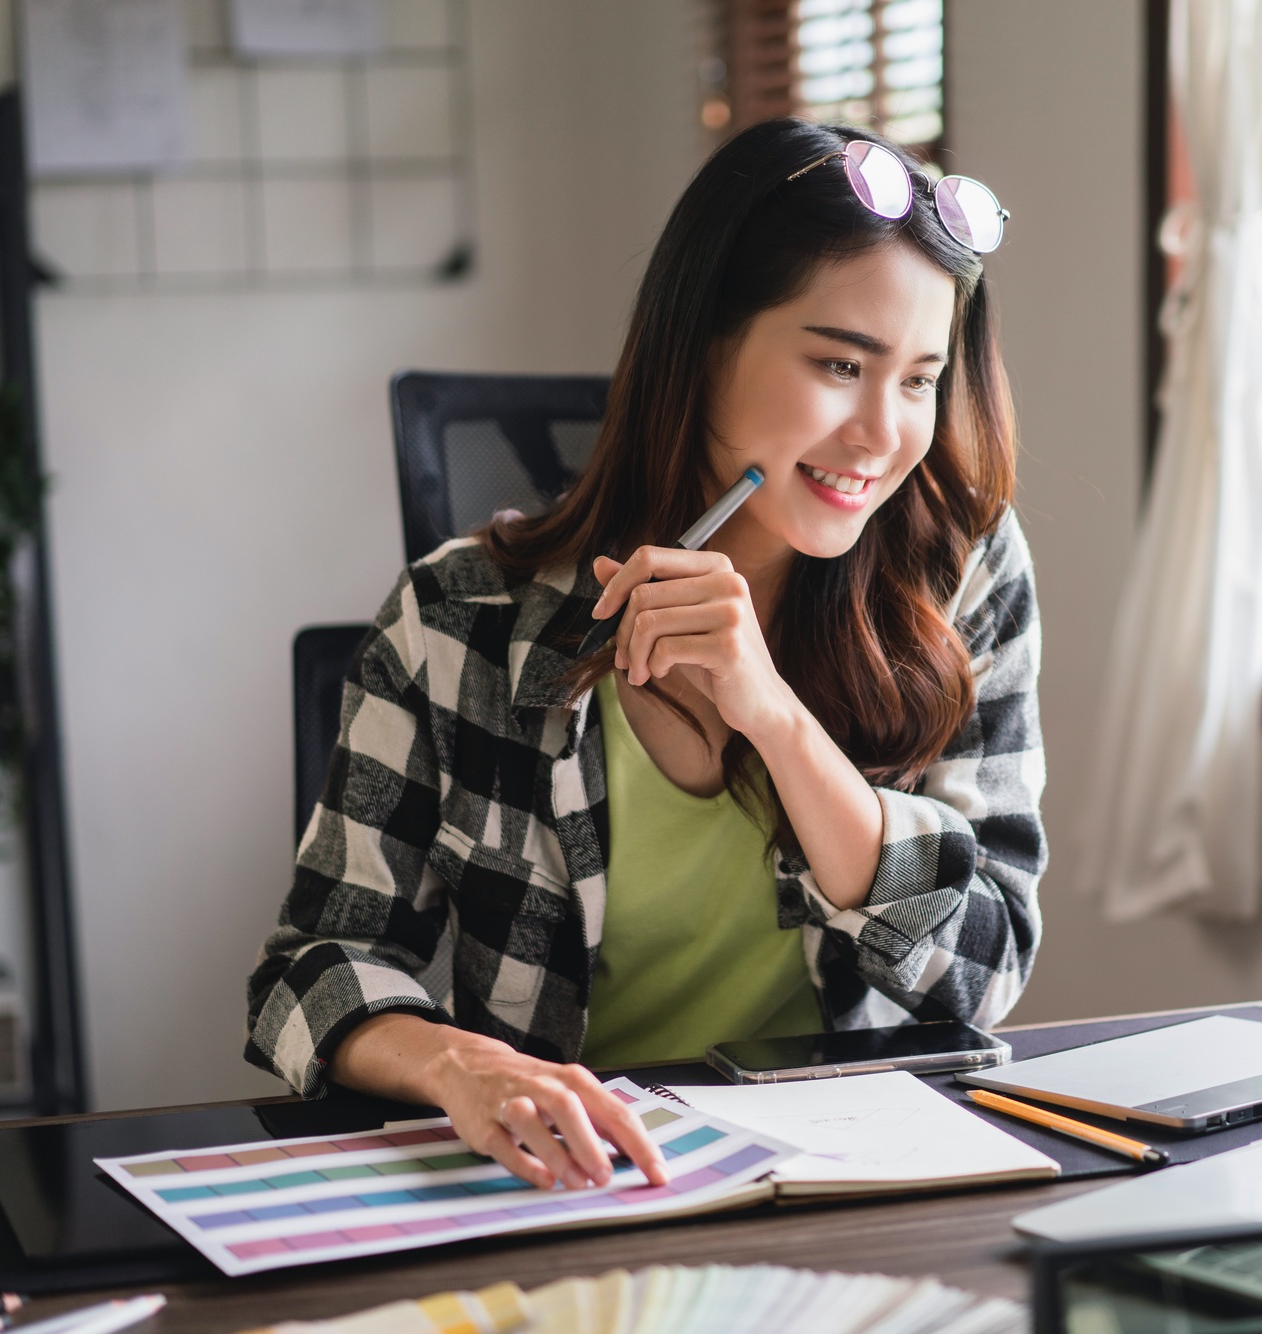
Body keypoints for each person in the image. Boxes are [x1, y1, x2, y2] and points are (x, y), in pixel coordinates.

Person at [244, 119, 1044, 1194]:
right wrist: (462, 1064)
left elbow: (986, 970)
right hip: (577, 1188)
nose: (879, 435)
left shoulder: (958, 575)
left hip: (857, 1184)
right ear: (703, 341)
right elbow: (306, 971)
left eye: (916, 379)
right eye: (838, 363)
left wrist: (776, 717)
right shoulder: (457, 615)